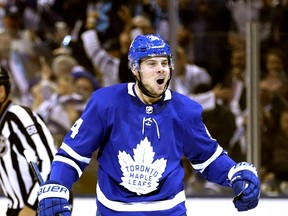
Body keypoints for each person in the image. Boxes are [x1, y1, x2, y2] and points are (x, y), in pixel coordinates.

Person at [37, 34, 260, 216]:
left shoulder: (184, 110)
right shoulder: (106, 103)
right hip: (116, 212)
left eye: (165, 63)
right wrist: (57, 184)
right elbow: (72, 154)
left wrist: (233, 173)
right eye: (152, 64)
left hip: (168, 212)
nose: (161, 69)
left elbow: (208, 159)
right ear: (135, 69)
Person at [0, 66, 57, 216]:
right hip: (15, 208)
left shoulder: (19, 116)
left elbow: (49, 161)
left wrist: (32, 205)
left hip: (40, 206)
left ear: (4, 89)